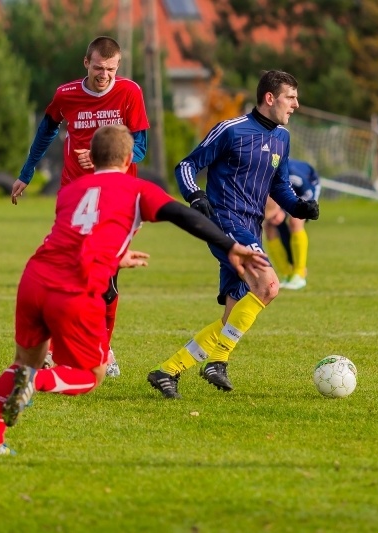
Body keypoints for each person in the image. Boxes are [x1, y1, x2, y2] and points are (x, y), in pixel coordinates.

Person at [0, 125, 268, 455]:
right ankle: (34, 383)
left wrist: (115, 256)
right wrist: (229, 245)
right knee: (90, 375)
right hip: (74, 287)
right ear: (129, 158)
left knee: (22, 363)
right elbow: (179, 213)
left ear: (93, 157)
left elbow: (81, 235)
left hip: (34, 278)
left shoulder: (72, 190)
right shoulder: (136, 188)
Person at [146, 70, 320, 399]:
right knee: (268, 285)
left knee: (233, 315)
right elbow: (186, 165)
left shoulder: (281, 137)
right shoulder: (232, 130)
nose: (296, 104)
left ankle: (167, 371)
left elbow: (278, 185)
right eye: (291, 97)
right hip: (226, 221)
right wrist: (195, 195)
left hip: (251, 225)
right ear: (270, 98)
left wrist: (297, 207)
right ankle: (218, 362)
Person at [11, 36, 150, 377]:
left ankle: (104, 350)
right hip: (76, 194)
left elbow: (142, 148)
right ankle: (53, 346)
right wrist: (26, 173)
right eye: (99, 68)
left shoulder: (129, 92)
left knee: (107, 278)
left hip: (116, 197)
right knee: (67, 268)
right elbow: (46, 131)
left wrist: (107, 159)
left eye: (112, 69)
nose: (105, 75)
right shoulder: (66, 94)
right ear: (86, 63)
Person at [263, 159, 321, 290]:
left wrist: (283, 210)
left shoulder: (294, 176)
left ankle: (299, 275)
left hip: (308, 189)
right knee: (269, 226)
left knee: (295, 221)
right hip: (283, 197)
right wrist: (273, 213)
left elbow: (308, 194)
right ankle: (286, 274)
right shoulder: (262, 175)